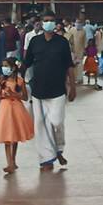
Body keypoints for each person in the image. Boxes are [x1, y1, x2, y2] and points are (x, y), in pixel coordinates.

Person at [21, 11, 75, 172]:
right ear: (41, 23)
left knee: (56, 121)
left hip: (58, 90)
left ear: (56, 23)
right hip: (38, 90)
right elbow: (26, 63)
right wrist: (20, 82)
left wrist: (72, 87)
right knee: (41, 125)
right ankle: (47, 159)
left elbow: (69, 66)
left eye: (51, 20)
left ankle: (58, 148)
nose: (48, 23)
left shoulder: (62, 42)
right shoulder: (35, 41)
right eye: (46, 20)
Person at [0, 57, 34, 175]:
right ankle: (9, 163)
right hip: (5, 109)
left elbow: (25, 97)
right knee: (7, 136)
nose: (4, 68)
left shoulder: (20, 81)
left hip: (16, 109)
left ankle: (13, 160)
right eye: (3, 66)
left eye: (6, 66)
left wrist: (14, 94)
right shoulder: (2, 80)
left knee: (14, 135)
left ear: (13, 67)